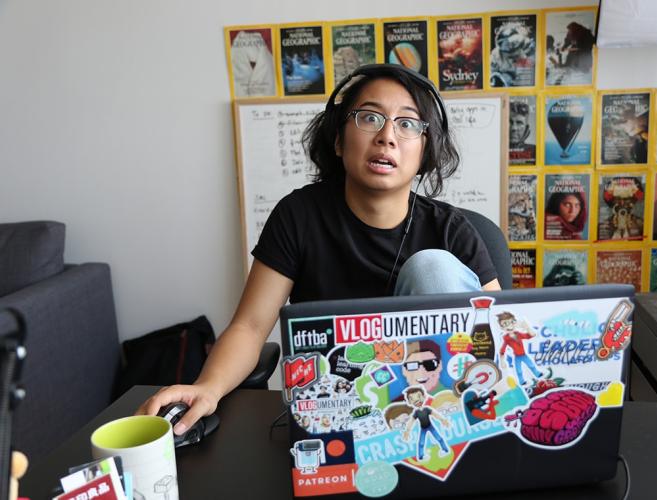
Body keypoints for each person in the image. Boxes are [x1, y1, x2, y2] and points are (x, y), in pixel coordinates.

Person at [136, 64, 500, 434]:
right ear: (339, 140)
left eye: (407, 124)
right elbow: (250, 326)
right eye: (370, 117)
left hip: (435, 409)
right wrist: (207, 388)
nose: (387, 136)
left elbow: (499, 333)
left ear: (425, 153)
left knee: (433, 268)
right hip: (335, 409)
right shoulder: (299, 216)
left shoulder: (452, 230)